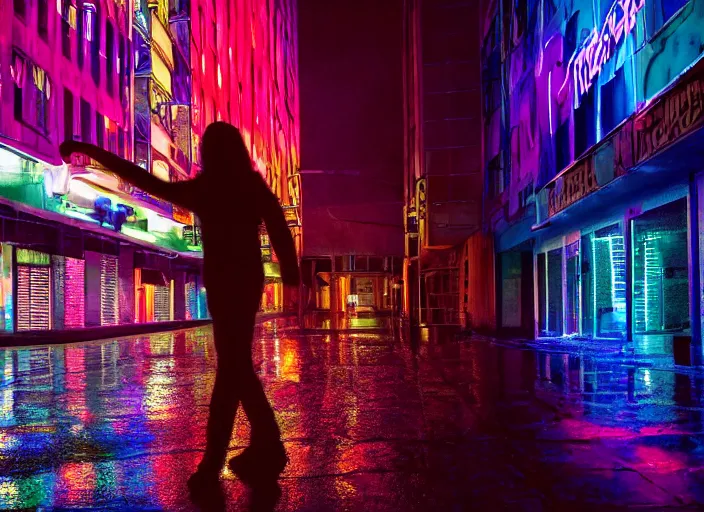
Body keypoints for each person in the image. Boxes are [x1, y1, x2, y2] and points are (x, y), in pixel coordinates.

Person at [59, 122, 300, 492]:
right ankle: (266, 443)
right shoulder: (251, 185)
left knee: (231, 368)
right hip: (245, 280)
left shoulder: (205, 189)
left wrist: (93, 151)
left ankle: (218, 460)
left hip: (222, 281)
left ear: (207, 152)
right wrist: (292, 279)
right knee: (236, 366)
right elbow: (280, 228)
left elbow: (145, 179)